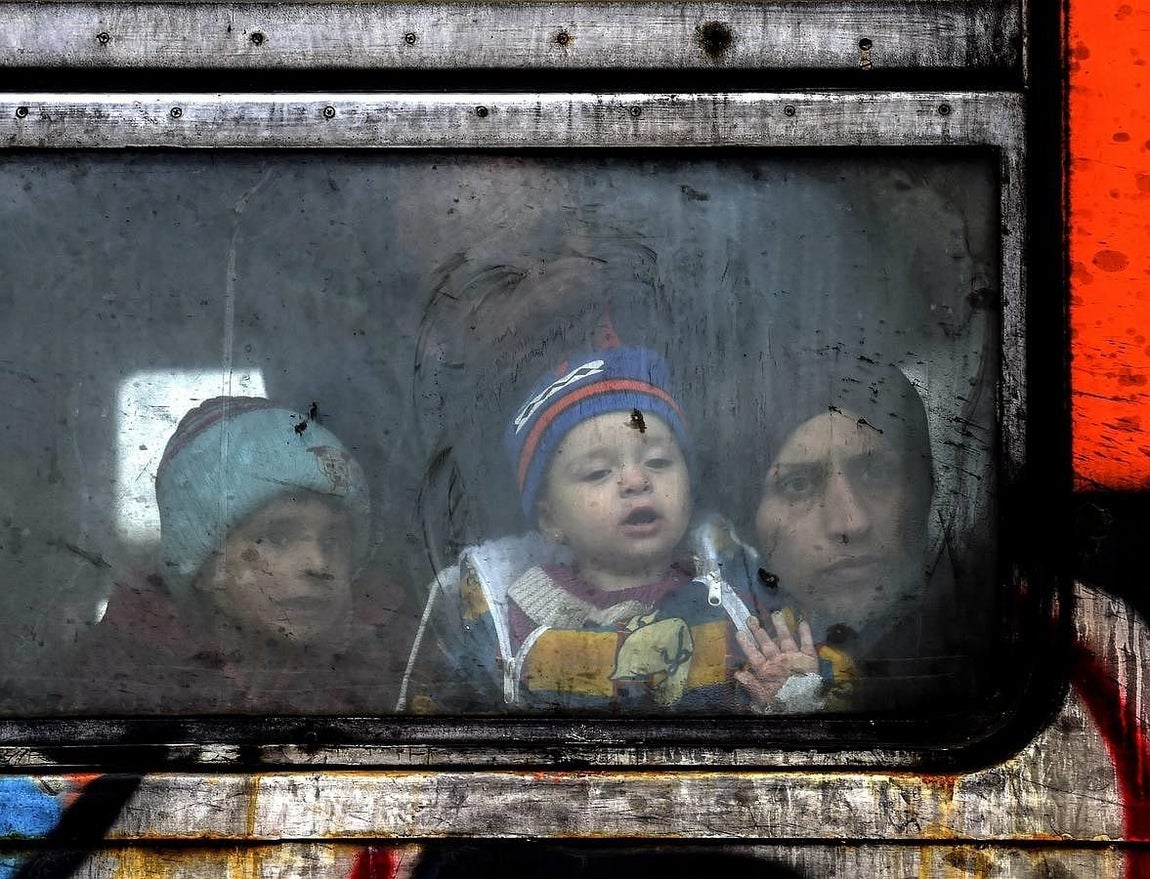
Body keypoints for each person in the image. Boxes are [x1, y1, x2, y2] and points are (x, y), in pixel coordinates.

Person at [402, 346, 827, 714]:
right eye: (598, 472)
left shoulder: (739, 591)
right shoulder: (511, 618)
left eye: (658, 463)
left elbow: (821, 671)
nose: (636, 480)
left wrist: (793, 690)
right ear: (551, 520)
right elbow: (446, 711)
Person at [68, 396, 394, 713]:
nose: (319, 564)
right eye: (277, 536)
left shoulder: (396, 676)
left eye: (334, 539)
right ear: (206, 566)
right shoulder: (110, 689)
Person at [745, 349, 978, 712]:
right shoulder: (714, 665)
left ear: (922, 491)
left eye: (876, 474)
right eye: (799, 485)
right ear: (748, 516)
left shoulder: (985, 653)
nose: (850, 522)